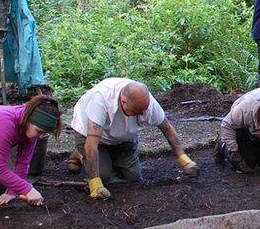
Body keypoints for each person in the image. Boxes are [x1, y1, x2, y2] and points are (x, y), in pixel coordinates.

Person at [66, 78, 198, 199]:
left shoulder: (147, 104)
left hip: (123, 136)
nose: (141, 114)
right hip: (91, 137)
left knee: (133, 177)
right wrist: (95, 183)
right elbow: (91, 144)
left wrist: (184, 160)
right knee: (104, 177)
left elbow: (167, 129)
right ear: (123, 101)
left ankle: (108, 157)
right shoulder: (100, 99)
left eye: (143, 111)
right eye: (136, 111)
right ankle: (79, 154)